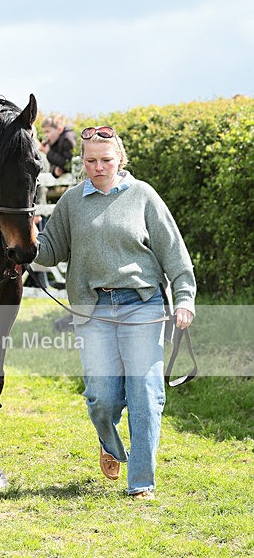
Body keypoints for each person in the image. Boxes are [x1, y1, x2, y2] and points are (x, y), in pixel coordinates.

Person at [34, 125, 196, 501]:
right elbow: (48, 251)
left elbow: (174, 251)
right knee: (101, 397)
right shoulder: (72, 202)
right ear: (82, 161)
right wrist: (25, 237)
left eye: (106, 160)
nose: (98, 167)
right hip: (94, 309)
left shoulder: (143, 195)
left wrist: (184, 298)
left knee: (145, 392)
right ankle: (109, 443)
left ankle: (141, 481)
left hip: (142, 304)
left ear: (120, 159)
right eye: (91, 160)